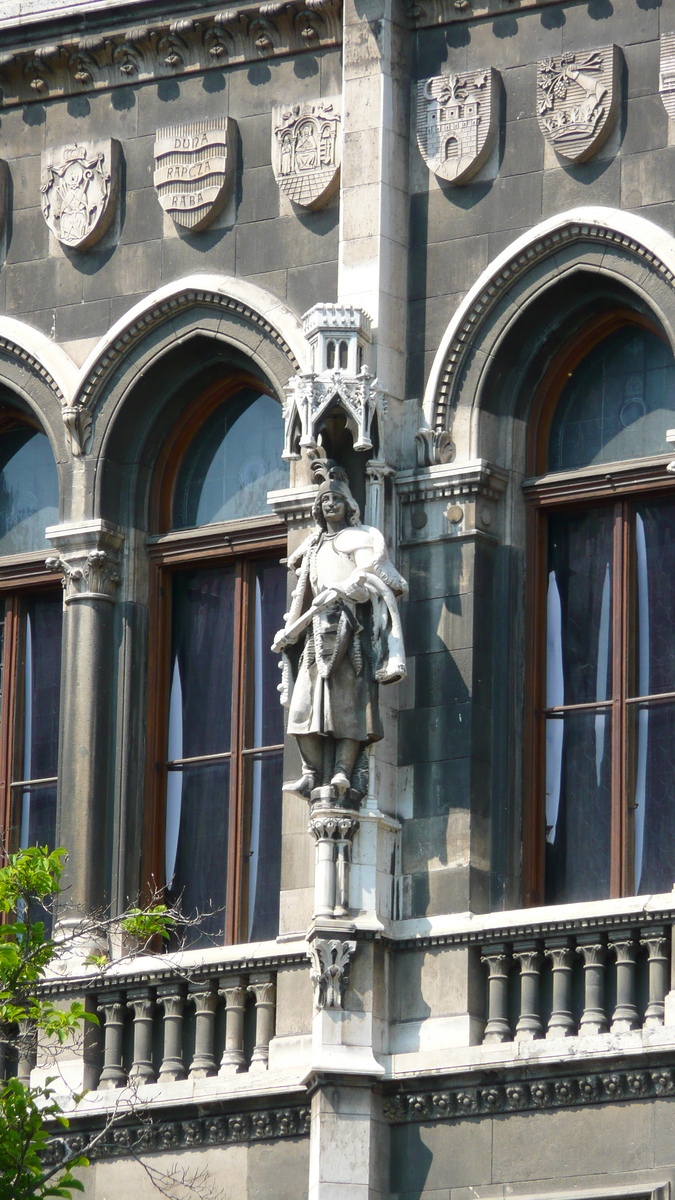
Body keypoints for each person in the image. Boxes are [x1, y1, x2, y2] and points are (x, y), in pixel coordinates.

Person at [272, 460, 407, 801]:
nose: (329, 504)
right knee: (302, 706)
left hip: (349, 627)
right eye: (324, 501)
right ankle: (311, 773)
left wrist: (350, 586)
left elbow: (375, 579)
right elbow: (304, 593)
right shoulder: (315, 546)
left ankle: (344, 772)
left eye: (336, 499)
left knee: (348, 704)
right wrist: (289, 631)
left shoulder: (357, 538)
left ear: (350, 505)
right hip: (316, 628)